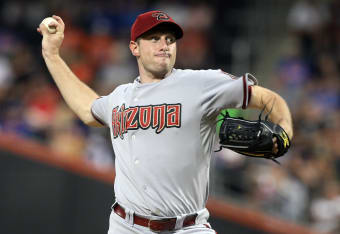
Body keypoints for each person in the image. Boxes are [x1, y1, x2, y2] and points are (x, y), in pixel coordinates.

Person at [37, 10, 293, 234]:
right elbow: (86, 109)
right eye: (154, 38)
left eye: (170, 39)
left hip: (187, 227)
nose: (164, 45)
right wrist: (52, 54)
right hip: (125, 226)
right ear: (134, 48)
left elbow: (265, 98)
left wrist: (286, 129)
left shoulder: (201, 83)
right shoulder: (119, 97)